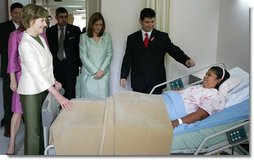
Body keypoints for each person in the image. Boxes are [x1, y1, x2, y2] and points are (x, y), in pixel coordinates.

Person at [17, 4, 72, 155]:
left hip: (43, 88)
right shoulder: (25, 44)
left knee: (42, 129)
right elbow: (36, 74)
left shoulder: (40, 38)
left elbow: (46, 66)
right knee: (33, 132)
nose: (45, 23)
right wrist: (58, 95)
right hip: (31, 92)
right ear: (30, 21)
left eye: (45, 20)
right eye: (41, 20)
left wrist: (54, 80)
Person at [120, 8, 196, 94]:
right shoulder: (132, 38)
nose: (150, 25)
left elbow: (174, 50)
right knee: (140, 107)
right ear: (140, 21)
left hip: (156, 82)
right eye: (147, 22)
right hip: (138, 82)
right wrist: (123, 76)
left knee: (156, 106)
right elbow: (127, 58)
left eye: (152, 22)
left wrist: (186, 60)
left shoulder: (162, 37)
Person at [6, 26, 48, 155]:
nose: (44, 23)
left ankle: (40, 146)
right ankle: (12, 143)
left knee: (38, 112)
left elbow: (47, 57)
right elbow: (12, 58)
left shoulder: (42, 34)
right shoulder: (15, 35)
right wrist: (13, 79)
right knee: (18, 111)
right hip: (22, 77)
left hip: (40, 78)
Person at [162, 66, 230, 128]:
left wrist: (177, 122)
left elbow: (200, 115)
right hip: (166, 99)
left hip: (173, 108)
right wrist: (180, 92)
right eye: (206, 74)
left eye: (209, 75)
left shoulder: (215, 95)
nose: (205, 76)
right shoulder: (200, 86)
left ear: (219, 80)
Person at [46, 7, 81, 100]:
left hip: (71, 66)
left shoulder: (75, 30)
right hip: (56, 66)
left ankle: (71, 113)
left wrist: (79, 65)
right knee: (59, 92)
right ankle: (60, 112)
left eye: (65, 17)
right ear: (56, 17)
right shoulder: (50, 31)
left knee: (70, 92)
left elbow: (79, 48)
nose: (64, 19)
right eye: (61, 17)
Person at [0, 2, 23, 137]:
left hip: (25, 70)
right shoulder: (3, 28)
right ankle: (9, 127)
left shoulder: (27, 27)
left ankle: (23, 118)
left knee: (23, 96)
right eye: (16, 13)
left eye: (21, 13)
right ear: (11, 13)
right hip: (9, 69)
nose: (18, 15)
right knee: (9, 98)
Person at [78, 12, 113, 99]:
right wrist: (95, 71)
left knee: (103, 103)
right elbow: (83, 56)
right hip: (89, 76)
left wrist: (101, 71)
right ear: (91, 25)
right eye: (96, 24)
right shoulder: (84, 37)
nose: (99, 27)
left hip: (103, 75)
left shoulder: (107, 36)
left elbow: (109, 54)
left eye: (101, 25)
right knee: (88, 103)